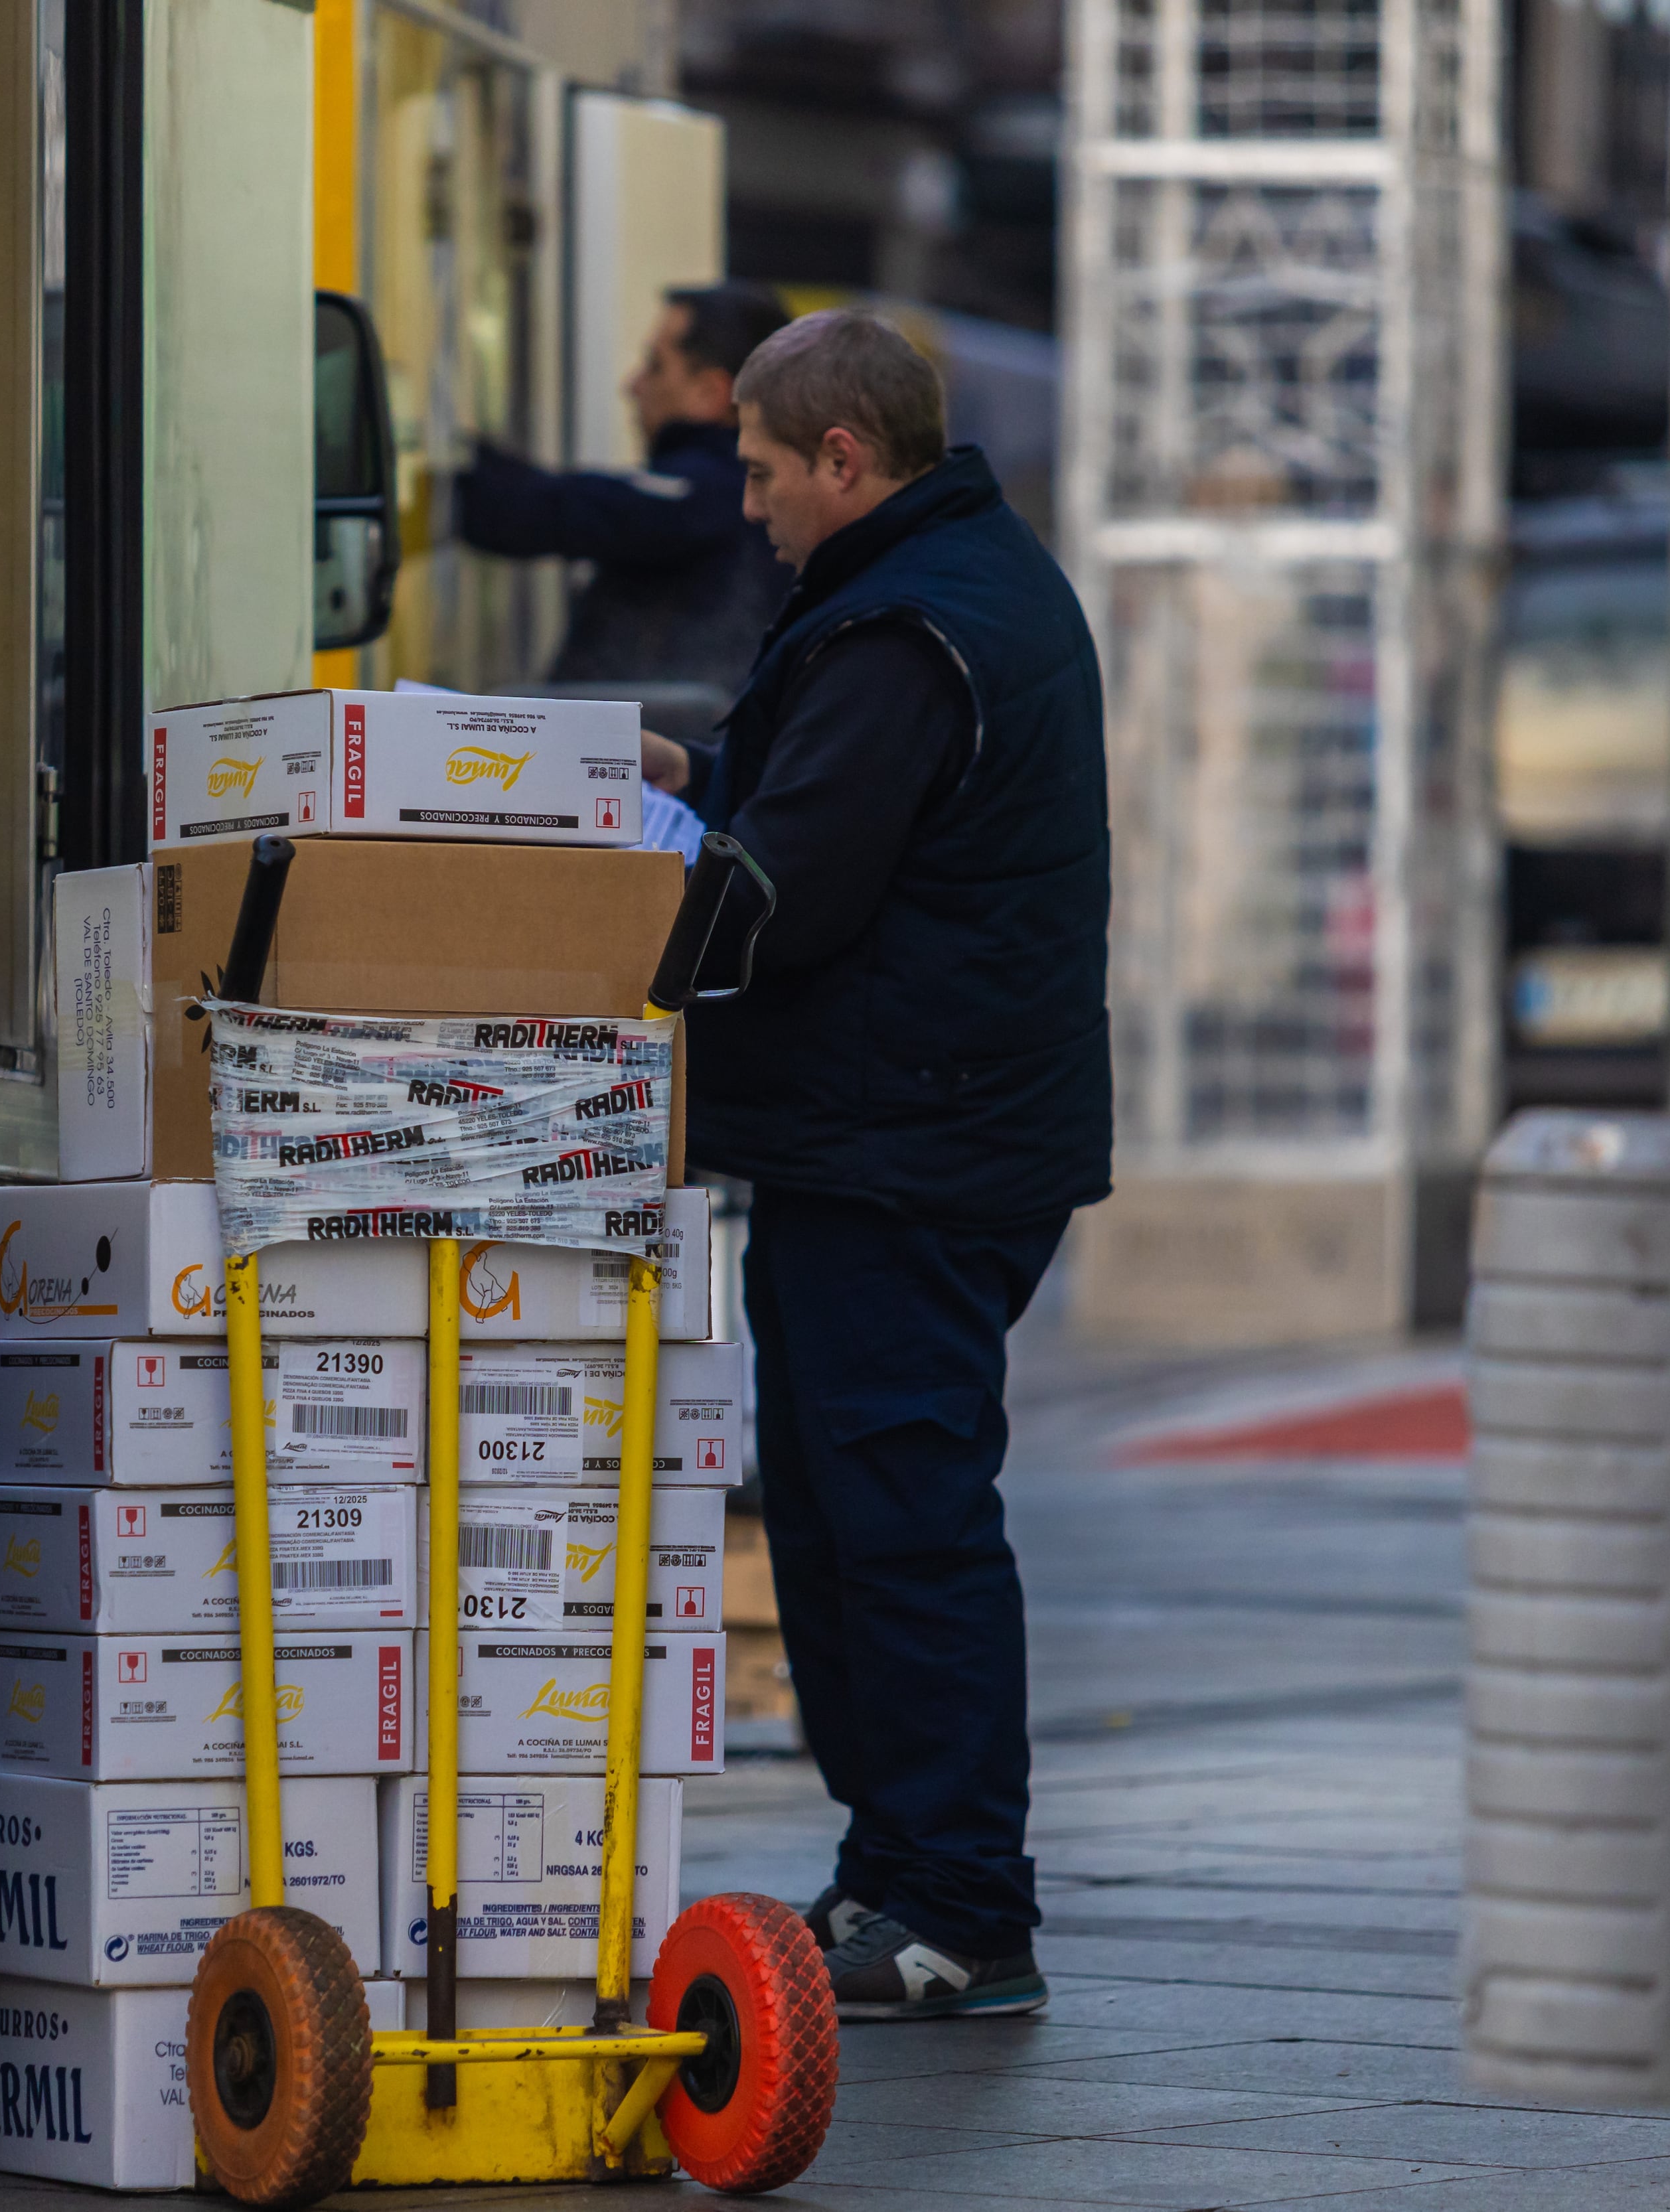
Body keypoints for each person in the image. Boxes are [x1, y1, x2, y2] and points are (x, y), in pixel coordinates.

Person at [667, 310, 1110, 2021]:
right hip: (910, 1132)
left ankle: (953, 1903)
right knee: (854, 1513)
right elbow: (806, 814)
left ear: (844, 460)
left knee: (898, 1518)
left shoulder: (908, 628)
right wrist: (674, 778)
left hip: (911, 1144)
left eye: (766, 473)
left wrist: (563, 909)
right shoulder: (944, 587)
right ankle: (896, 1872)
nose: (754, 506)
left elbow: (788, 892)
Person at [450, 282, 795, 696]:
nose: (632, 386)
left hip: (647, 756)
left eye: (655, 365)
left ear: (709, 394)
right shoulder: (742, 490)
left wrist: (443, 460)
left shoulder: (717, 492)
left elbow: (547, 510)